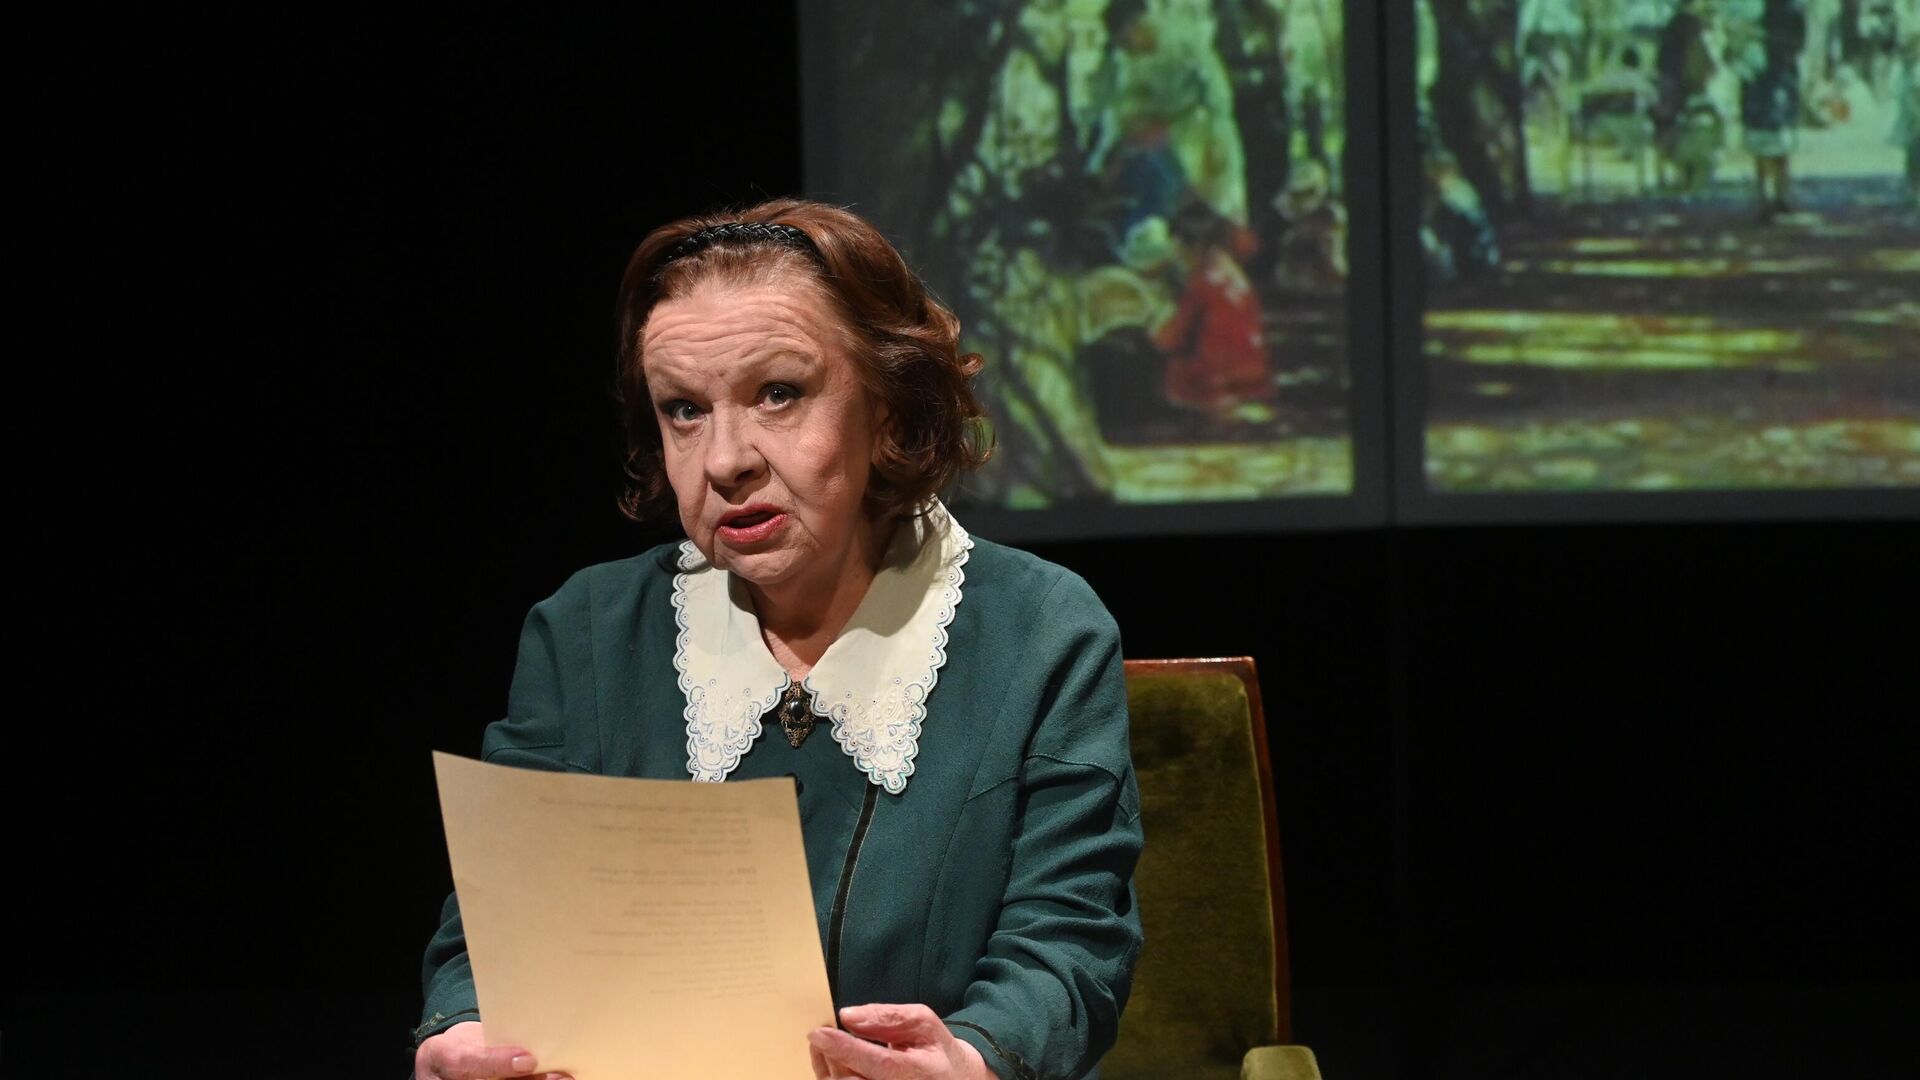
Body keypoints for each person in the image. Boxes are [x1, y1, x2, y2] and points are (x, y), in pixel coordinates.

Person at [411, 200, 1144, 1080]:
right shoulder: (586, 634)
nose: (726, 459)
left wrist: (975, 1056)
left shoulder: (1040, 630)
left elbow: (1071, 937)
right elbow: (501, 925)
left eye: (780, 394)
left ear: (889, 411)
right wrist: (465, 1026)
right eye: (684, 410)